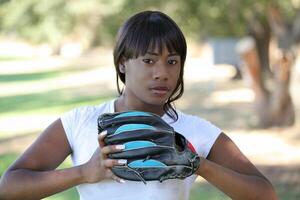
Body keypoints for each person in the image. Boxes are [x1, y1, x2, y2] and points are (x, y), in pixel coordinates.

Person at [0, 10, 278, 200]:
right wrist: (83, 173)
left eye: (172, 61)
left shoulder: (195, 131)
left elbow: (266, 194)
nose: (162, 73)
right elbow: (9, 187)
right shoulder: (81, 122)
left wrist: (198, 165)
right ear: (122, 62)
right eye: (148, 60)